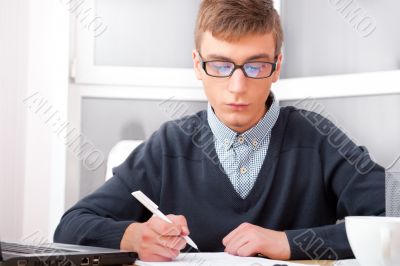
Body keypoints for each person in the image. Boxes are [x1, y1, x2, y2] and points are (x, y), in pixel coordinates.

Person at [54, 0, 385, 262]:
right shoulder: (168, 146)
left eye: (255, 66)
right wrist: (133, 237)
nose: (237, 87)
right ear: (198, 65)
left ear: (277, 67)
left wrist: (289, 243)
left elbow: (395, 220)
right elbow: (70, 226)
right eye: (221, 66)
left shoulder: (318, 139)